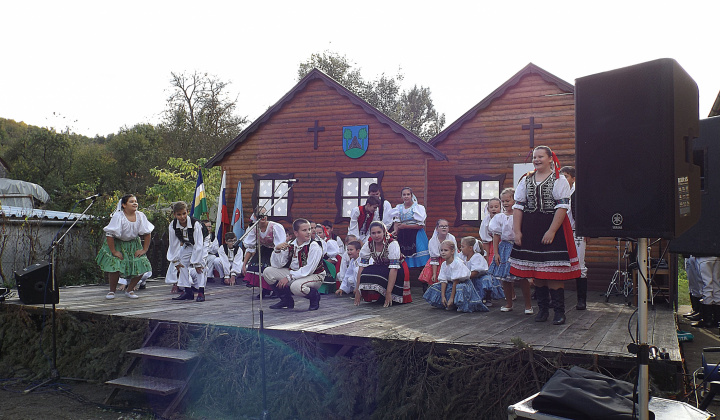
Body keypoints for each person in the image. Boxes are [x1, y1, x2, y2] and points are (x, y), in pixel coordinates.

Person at [509, 146, 581, 325]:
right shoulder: (526, 179)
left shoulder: (559, 179)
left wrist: (552, 231)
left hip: (551, 225)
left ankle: (559, 312)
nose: (536, 160)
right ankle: (542, 310)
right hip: (530, 228)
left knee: (552, 271)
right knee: (537, 271)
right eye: (534, 157)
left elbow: (562, 207)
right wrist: (517, 231)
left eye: (540, 156)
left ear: (550, 159)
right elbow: (518, 207)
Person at [96, 194, 154, 300]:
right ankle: (112, 291)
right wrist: (114, 251)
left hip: (133, 244)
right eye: (131, 201)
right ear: (124, 205)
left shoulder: (140, 216)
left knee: (142, 265)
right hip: (117, 243)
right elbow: (109, 234)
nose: (135, 203)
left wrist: (144, 249)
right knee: (115, 267)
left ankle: (129, 290)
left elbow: (147, 233)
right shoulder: (118, 216)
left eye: (135, 201)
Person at [264, 218, 325, 310]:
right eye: (304, 230)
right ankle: (286, 300)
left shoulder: (314, 246)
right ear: (296, 233)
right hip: (295, 273)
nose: (308, 232)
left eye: (309, 229)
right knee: (268, 272)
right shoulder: (290, 244)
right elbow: (278, 265)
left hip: (314, 275)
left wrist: (289, 277)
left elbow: (309, 269)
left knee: (296, 287)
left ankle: (314, 296)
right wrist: (277, 250)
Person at [492, 188, 532, 314]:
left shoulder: (520, 215)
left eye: (507, 200)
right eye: (503, 201)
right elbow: (496, 236)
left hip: (518, 246)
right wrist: (496, 253)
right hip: (504, 247)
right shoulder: (499, 217)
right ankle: (509, 303)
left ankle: (528, 305)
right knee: (505, 278)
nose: (505, 203)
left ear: (514, 200)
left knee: (522, 277)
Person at [354, 221, 412, 307]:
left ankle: (389, 295)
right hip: (381, 266)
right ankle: (379, 296)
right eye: (373, 233)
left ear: (384, 232)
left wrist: (389, 293)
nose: (376, 236)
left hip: (398, 268)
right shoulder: (369, 244)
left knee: (384, 273)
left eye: (379, 232)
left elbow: (394, 268)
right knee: (365, 273)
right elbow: (361, 267)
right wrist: (358, 291)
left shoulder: (392, 243)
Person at [423, 240, 488, 312]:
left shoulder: (457, 263)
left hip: (462, 284)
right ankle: (446, 302)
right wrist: (443, 296)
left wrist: (451, 298)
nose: (443, 252)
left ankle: (456, 302)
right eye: (441, 250)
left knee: (460, 287)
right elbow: (443, 281)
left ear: (452, 251)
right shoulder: (444, 264)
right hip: (451, 284)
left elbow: (456, 281)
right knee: (436, 286)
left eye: (446, 250)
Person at [165, 201, 208, 302]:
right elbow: (173, 244)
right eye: (179, 214)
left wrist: (196, 262)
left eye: (184, 213)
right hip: (188, 243)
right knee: (181, 263)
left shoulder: (195, 224)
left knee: (200, 266)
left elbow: (199, 244)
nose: (182, 217)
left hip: (203, 241)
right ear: (174, 215)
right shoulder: (173, 225)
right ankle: (188, 291)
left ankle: (201, 291)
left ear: (187, 212)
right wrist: (175, 260)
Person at [559, 166, 588, 310]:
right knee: (558, 263)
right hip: (560, 232)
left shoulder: (579, 193)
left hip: (577, 232)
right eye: (562, 176)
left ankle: (581, 300)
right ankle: (557, 299)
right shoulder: (558, 193)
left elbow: (586, 212)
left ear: (573, 178)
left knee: (580, 265)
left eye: (566, 176)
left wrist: (586, 230)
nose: (563, 179)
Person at [242, 206, 287, 299]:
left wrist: (278, 252)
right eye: (260, 214)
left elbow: (280, 244)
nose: (263, 217)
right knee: (258, 268)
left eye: (265, 214)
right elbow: (249, 244)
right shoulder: (254, 228)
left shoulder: (274, 227)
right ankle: (265, 289)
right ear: (255, 216)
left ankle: (276, 290)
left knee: (272, 269)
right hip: (264, 250)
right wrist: (244, 263)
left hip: (275, 251)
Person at [390, 187, 430, 268]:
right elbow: (396, 222)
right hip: (403, 235)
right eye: (404, 195)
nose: (406, 196)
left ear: (412, 196)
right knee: (403, 258)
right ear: (401, 196)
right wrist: (395, 231)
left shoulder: (417, 207)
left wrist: (405, 226)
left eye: (408, 194)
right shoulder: (399, 208)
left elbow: (421, 225)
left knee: (419, 256)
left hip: (416, 234)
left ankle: (421, 275)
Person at [459, 237, 503, 307]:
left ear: (470, 248)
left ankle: (487, 298)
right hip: (470, 276)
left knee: (485, 281)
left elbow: (475, 272)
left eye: (463, 246)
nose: (461, 248)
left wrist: (465, 277)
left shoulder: (477, 257)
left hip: (479, 276)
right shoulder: (462, 256)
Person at [418, 219, 457, 291]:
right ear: (437, 229)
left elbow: (454, 253)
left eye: (446, 226)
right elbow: (434, 258)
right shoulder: (433, 241)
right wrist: (434, 274)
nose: (444, 228)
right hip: (436, 260)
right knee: (431, 272)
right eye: (441, 226)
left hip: (450, 259)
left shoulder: (451, 238)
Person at [479, 198, 502, 264]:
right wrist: (487, 257)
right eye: (491, 207)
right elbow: (485, 240)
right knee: (491, 260)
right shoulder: (486, 221)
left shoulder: (503, 218)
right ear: (488, 209)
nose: (493, 209)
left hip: (502, 243)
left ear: (500, 208)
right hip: (491, 245)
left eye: (496, 207)